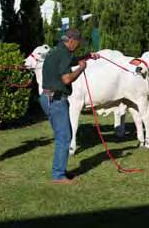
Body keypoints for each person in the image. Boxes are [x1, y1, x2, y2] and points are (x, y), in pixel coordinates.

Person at [40, 28, 99, 184]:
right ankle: (58, 175)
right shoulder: (64, 53)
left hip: (47, 97)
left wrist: (87, 57)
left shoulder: (56, 51)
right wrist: (81, 68)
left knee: (63, 136)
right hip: (56, 99)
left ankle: (60, 171)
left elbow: (69, 61)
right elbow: (66, 79)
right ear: (71, 40)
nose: (78, 46)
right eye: (78, 43)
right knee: (64, 137)